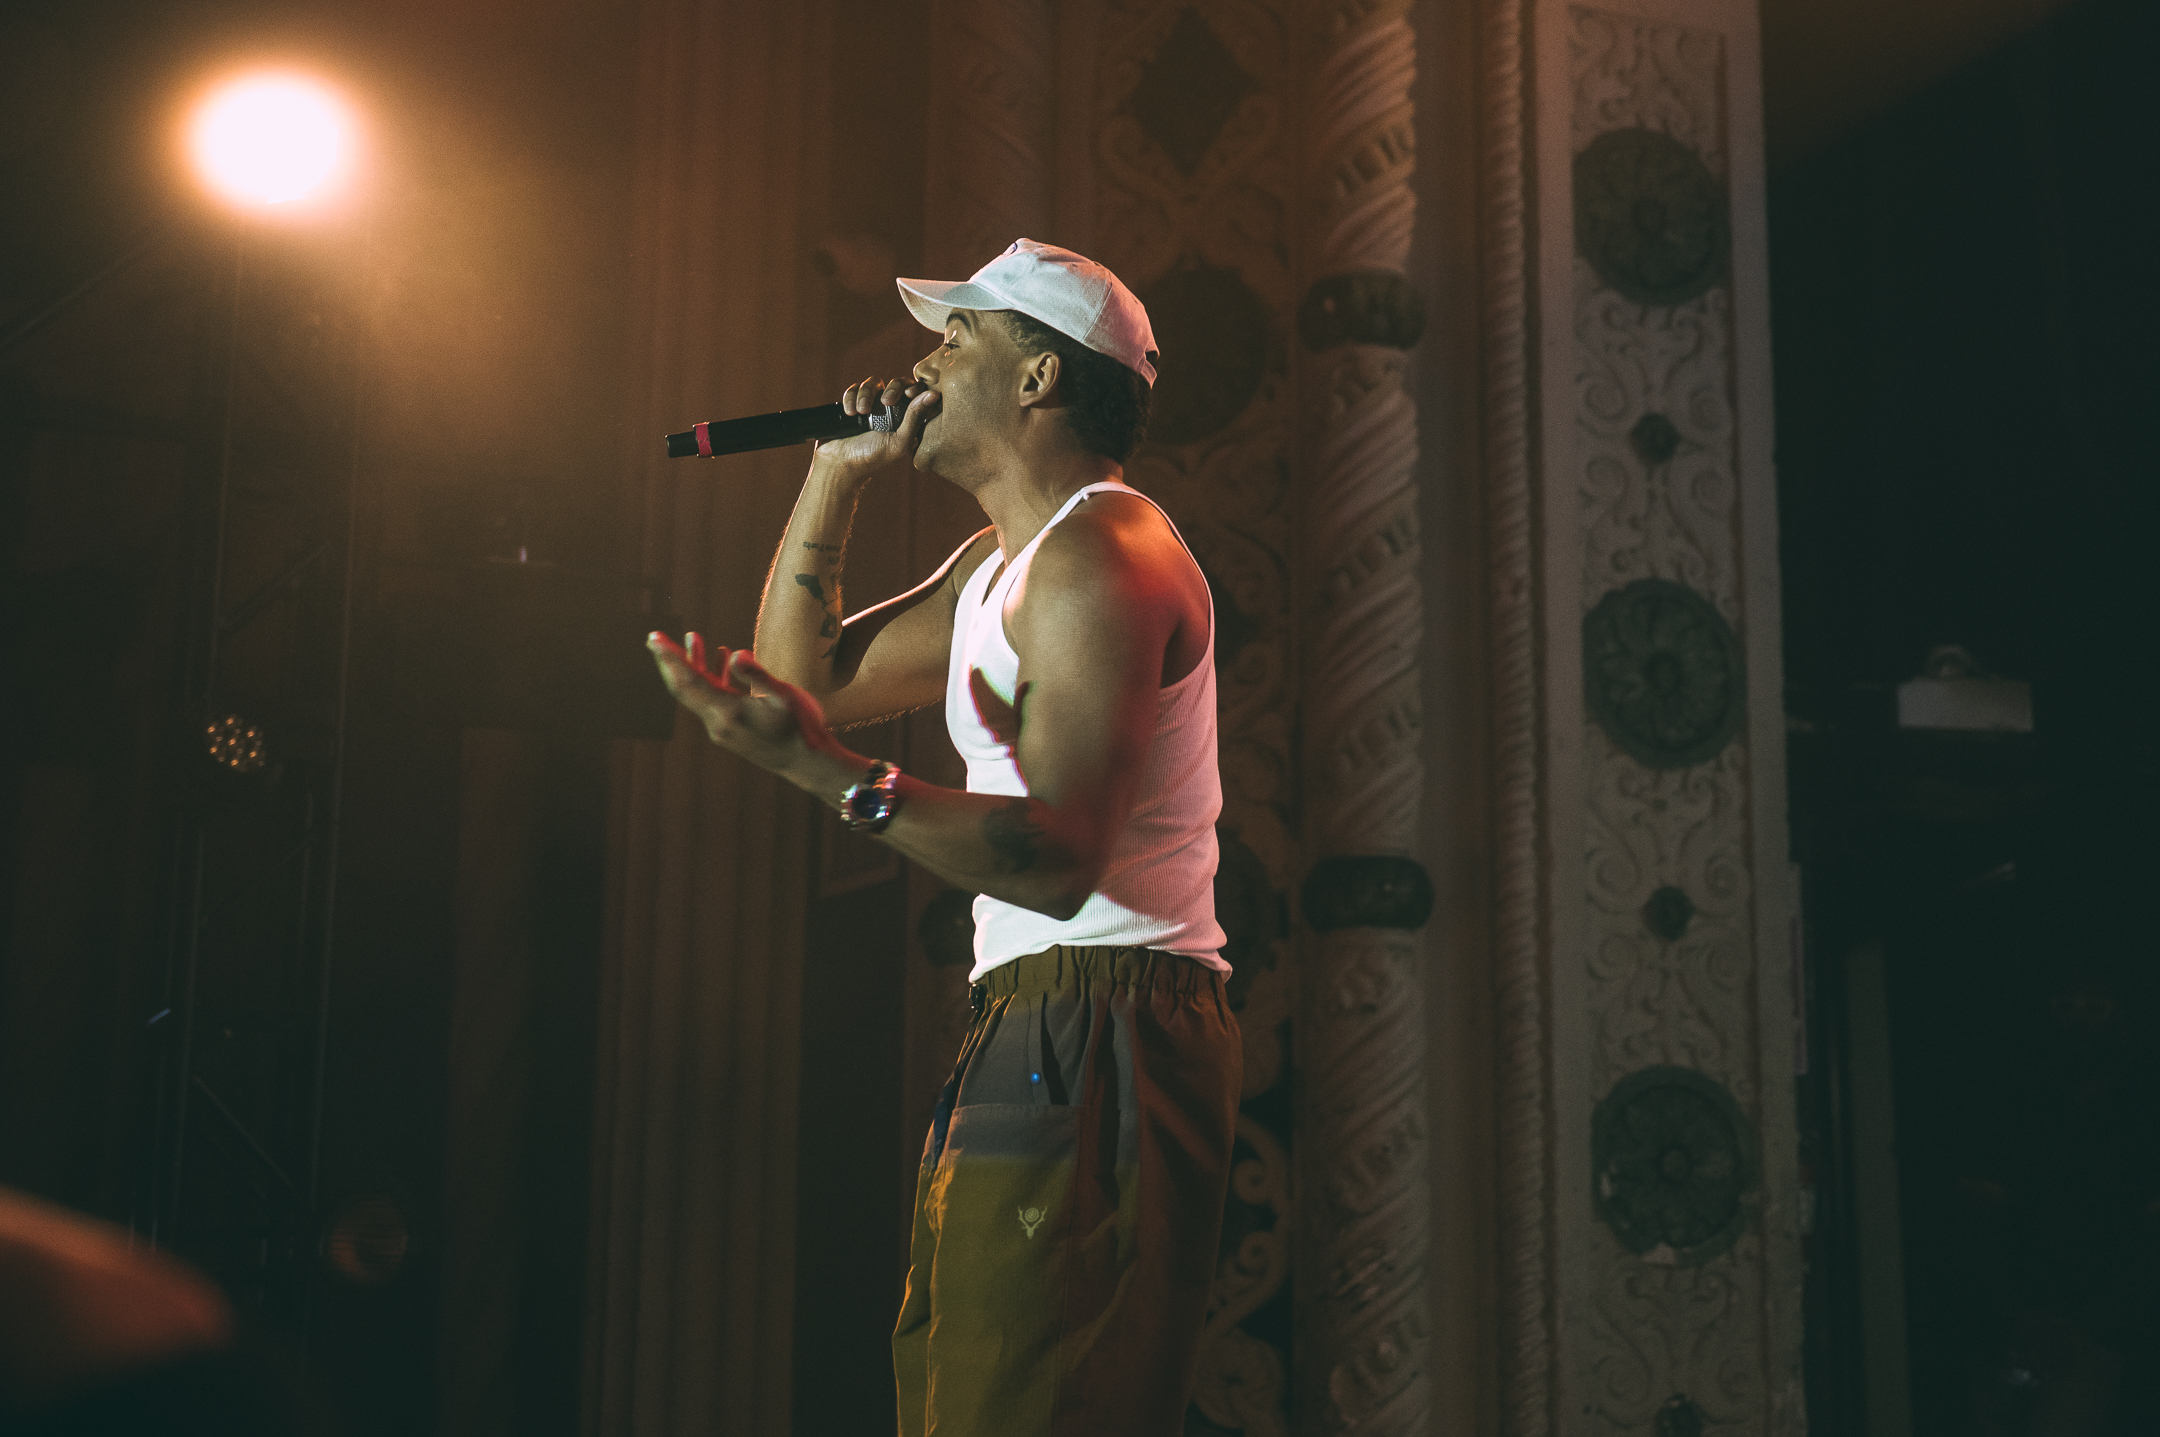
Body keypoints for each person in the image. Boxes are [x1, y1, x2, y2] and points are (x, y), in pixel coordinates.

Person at [646, 239, 1241, 1436]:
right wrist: (834, 477)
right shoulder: (1000, 565)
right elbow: (800, 684)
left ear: (1038, 377)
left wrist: (826, 776)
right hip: (1041, 1010)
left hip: (1109, 1011)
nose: (918, 364)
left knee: (1020, 1401)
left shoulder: (1103, 556)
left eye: (958, 336)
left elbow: (1059, 859)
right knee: (962, 1393)